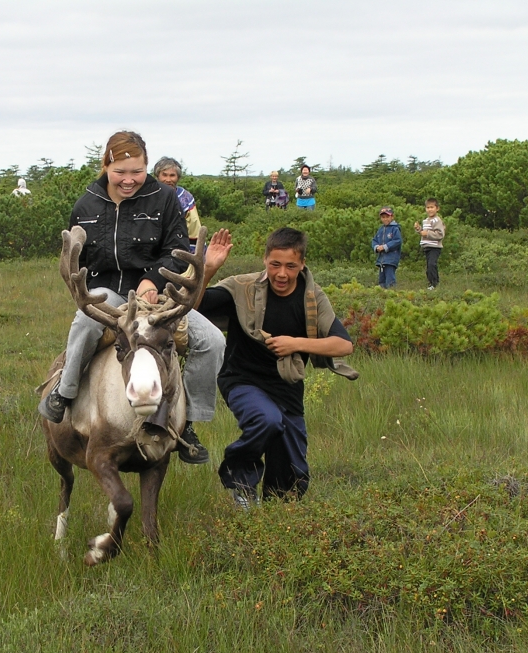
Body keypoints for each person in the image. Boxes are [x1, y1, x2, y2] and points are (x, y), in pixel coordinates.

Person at [38, 131, 225, 464]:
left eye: (136, 171)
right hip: (108, 291)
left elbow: (178, 249)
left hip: (160, 295)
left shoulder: (164, 200)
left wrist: (152, 280)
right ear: (106, 165)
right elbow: (76, 260)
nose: (129, 180)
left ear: (146, 166)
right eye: (120, 172)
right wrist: (87, 293)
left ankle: (189, 425)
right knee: (86, 324)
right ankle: (63, 394)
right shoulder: (86, 205)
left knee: (211, 340)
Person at [195, 227, 356, 507]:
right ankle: (242, 483)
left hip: (287, 387)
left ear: (302, 264)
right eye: (275, 265)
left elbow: (343, 345)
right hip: (242, 380)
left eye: (291, 266)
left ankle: (272, 517)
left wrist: (296, 344)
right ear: (265, 259)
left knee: (290, 481)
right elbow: (194, 306)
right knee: (267, 420)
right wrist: (208, 269)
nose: (282, 274)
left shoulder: (312, 298)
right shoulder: (242, 288)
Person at [153, 157, 201, 247]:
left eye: (172, 175)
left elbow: (194, 232)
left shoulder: (186, 198)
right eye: (164, 175)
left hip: (178, 250)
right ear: (157, 176)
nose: (168, 180)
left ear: (178, 178)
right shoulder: (148, 196)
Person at [414, 198, 445, 290]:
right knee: (429, 266)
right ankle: (431, 283)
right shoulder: (426, 220)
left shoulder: (437, 220)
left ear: (437, 208)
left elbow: (440, 234)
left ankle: (435, 284)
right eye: (428, 207)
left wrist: (427, 233)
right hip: (427, 246)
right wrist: (419, 229)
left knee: (432, 264)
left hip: (435, 246)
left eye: (432, 207)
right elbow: (424, 233)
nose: (430, 209)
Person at [372, 206, 402, 289]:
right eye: (383, 217)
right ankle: (382, 294)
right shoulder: (380, 230)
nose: (385, 219)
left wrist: (385, 247)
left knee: (390, 279)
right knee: (382, 280)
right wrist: (376, 247)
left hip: (391, 259)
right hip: (382, 259)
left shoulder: (395, 229)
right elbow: (374, 240)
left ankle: (392, 294)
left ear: (392, 217)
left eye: (387, 217)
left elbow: (397, 241)